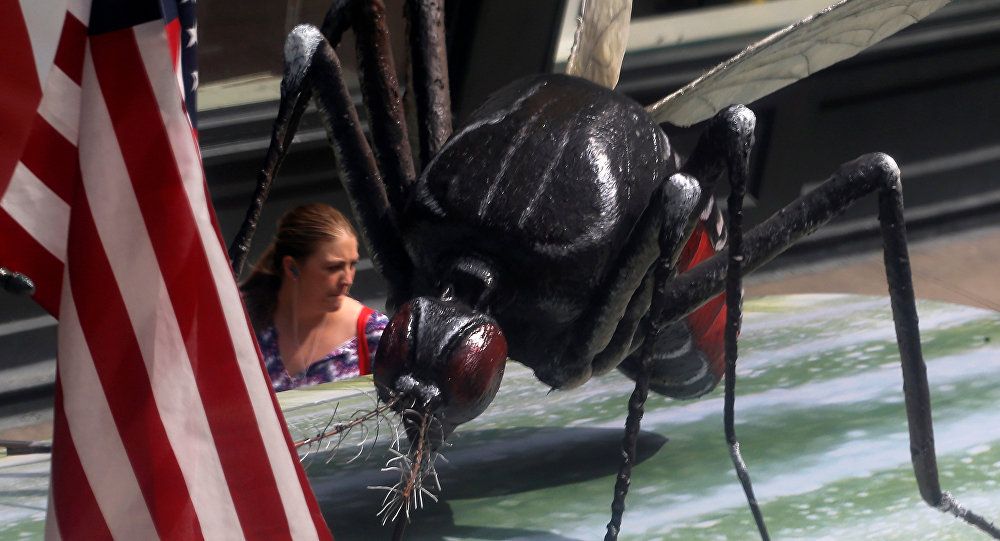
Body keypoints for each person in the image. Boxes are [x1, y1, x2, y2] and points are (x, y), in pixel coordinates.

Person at [240, 203, 388, 391]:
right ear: (292, 267)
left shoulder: (372, 334)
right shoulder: (247, 326)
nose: (348, 279)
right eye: (333, 267)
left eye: (352, 264)